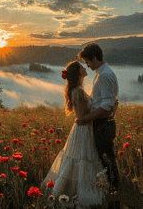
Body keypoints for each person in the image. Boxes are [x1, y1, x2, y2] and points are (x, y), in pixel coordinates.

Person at [40, 60, 110, 208]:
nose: (85, 68)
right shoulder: (78, 91)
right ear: (78, 73)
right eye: (81, 67)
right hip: (84, 129)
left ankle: (72, 191)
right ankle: (79, 195)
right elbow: (84, 114)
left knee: (78, 159)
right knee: (82, 158)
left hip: (82, 128)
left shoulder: (77, 89)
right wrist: (102, 109)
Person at [76, 43, 120, 209]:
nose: (87, 65)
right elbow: (105, 101)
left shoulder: (104, 75)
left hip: (103, 124)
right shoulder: (101, 73)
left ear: (94, 58)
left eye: (87, 61)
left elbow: (107, 104)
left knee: (106, 159)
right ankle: (110, 192)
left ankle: (114, 194)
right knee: (104, 158)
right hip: (101, 122)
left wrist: (88, 117)